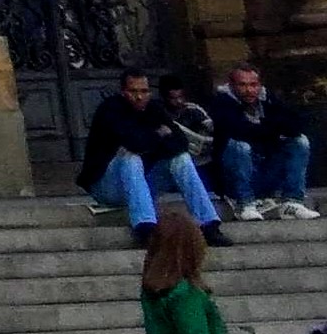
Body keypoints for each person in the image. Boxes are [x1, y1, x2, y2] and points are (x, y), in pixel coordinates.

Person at [78, 68, 222, 240]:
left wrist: (149, 140)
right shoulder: (110, 110)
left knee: (181, 159)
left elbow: (180, 143)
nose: (139, 97)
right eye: (133, 91)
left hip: (144, 182)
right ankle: (145, 227)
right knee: (130, 158)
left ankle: (209, 224)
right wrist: (158, 135)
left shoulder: (154, 108)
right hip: (107, 186)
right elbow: (134, 143)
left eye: (144, 91)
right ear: (123, 92)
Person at [210, 64, 319, 222]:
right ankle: (244, 204)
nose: (249, 90)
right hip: (235, 177)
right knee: (239, 146)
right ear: (232, 86)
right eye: (243, 85)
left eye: (253, 85)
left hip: (266, 169)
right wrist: (272, 130)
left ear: (259, 84)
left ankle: (292, 202)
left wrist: (264, 130)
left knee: (300, 142)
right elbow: (237, 130)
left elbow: (295, 125)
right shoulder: (221, 103)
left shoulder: (268, 99)